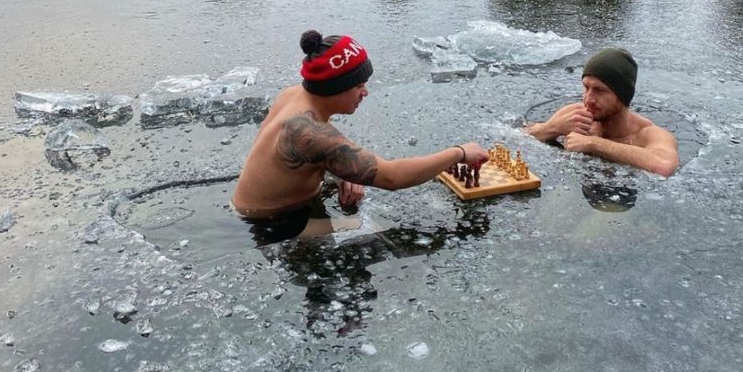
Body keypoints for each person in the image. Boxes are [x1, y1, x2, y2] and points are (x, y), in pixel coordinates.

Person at [233, 30, 489, 240]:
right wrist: (459, 153)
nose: (364, 93)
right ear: (335, 88)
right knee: (379, 227)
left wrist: (341, 170)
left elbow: (317, 154)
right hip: (271, 224)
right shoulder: (310, 132)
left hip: (261, 206)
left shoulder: (294, 96)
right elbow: (392, 178)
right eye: (358, 86)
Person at [524, 48, 679, 177]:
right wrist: (552, 128)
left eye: (599, 90)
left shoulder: (648, 134)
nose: (588, 99)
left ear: (622, 95)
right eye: (586, 87)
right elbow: (519, 138)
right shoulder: (574, 114)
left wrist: (594, 143)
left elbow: (663, 167)